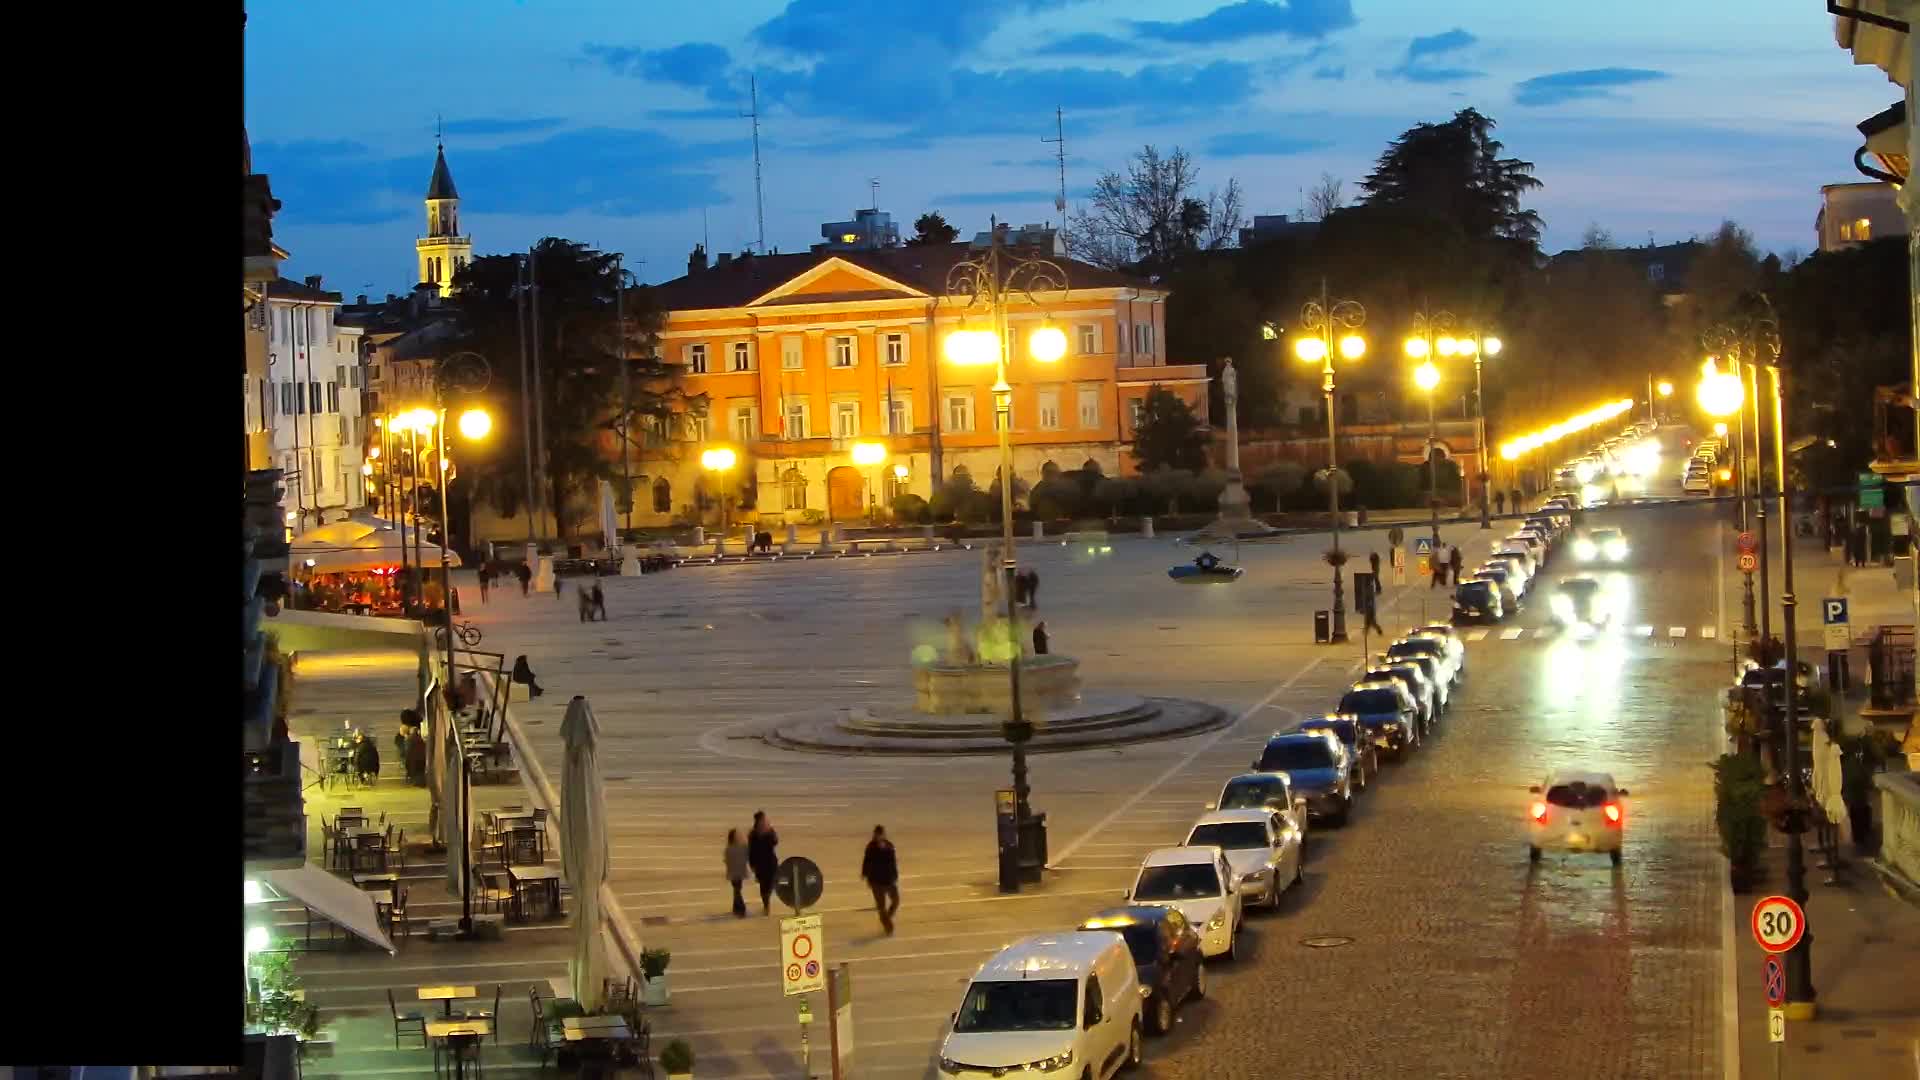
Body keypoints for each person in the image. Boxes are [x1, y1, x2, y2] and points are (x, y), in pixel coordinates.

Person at [860, 825, 900, 934]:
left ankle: (886, 918)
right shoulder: (871, 847)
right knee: (881, 906)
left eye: (880, 834)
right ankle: (888, 926)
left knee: (896, 901)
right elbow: (866, 861)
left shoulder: (889, 845)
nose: (878, 836)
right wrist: (865, 874)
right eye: (877, 834)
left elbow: (893, 862)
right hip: (876, 881)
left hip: (889, 880)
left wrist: (895, 875)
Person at [748, 811, 781, 916]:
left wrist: (770, 830)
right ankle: (766, 905)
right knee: (763, 887)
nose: (766, 821)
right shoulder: (753, 834)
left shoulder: (769, 832)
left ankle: (768, 899)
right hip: (760, 864)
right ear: (759, 821)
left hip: (771, 863)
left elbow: (775, 842)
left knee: (771, 883)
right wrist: (752, 865)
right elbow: (750, 850)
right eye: (764, 819)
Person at [724, 829, 750, 918]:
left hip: (734, 873)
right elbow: (747, 856)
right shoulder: (742, 847)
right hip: (737, 873)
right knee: (737, 891)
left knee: (736, 890)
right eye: (738, 835)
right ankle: (741, 909)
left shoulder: (729, 848)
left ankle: (736, 908)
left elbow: (726, 861)